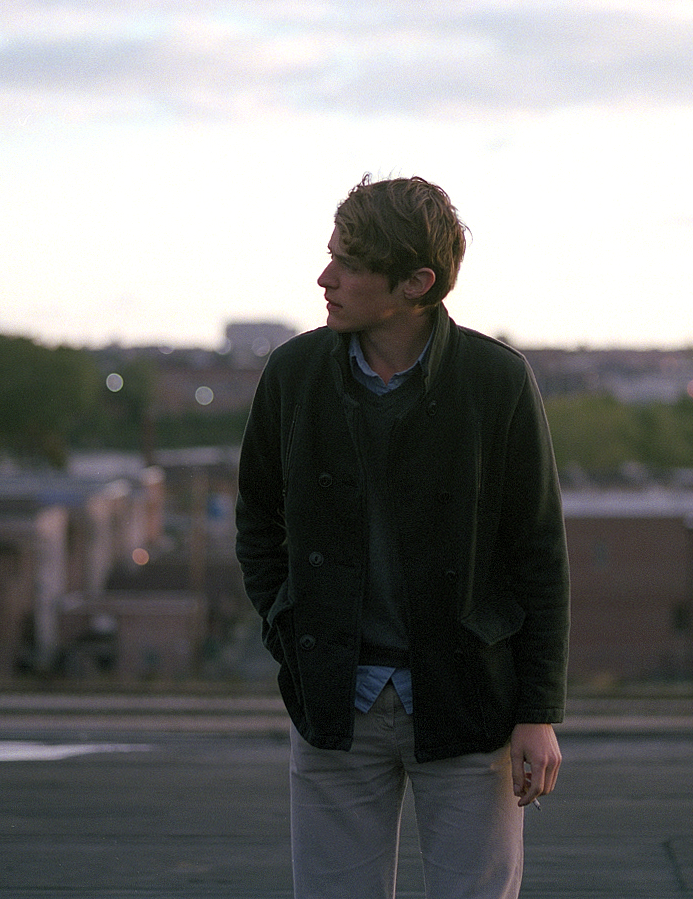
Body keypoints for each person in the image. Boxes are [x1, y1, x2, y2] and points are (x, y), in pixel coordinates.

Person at [236, 175, 570, 899]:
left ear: (417, 281)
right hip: (334, 704)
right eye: (330, 256)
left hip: (466, 701)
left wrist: (537, 712)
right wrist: (287, 627)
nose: (323, 278)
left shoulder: (495, 381)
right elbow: (257, 524)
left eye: (348, 264)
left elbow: (537, 553)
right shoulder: (294, 375)